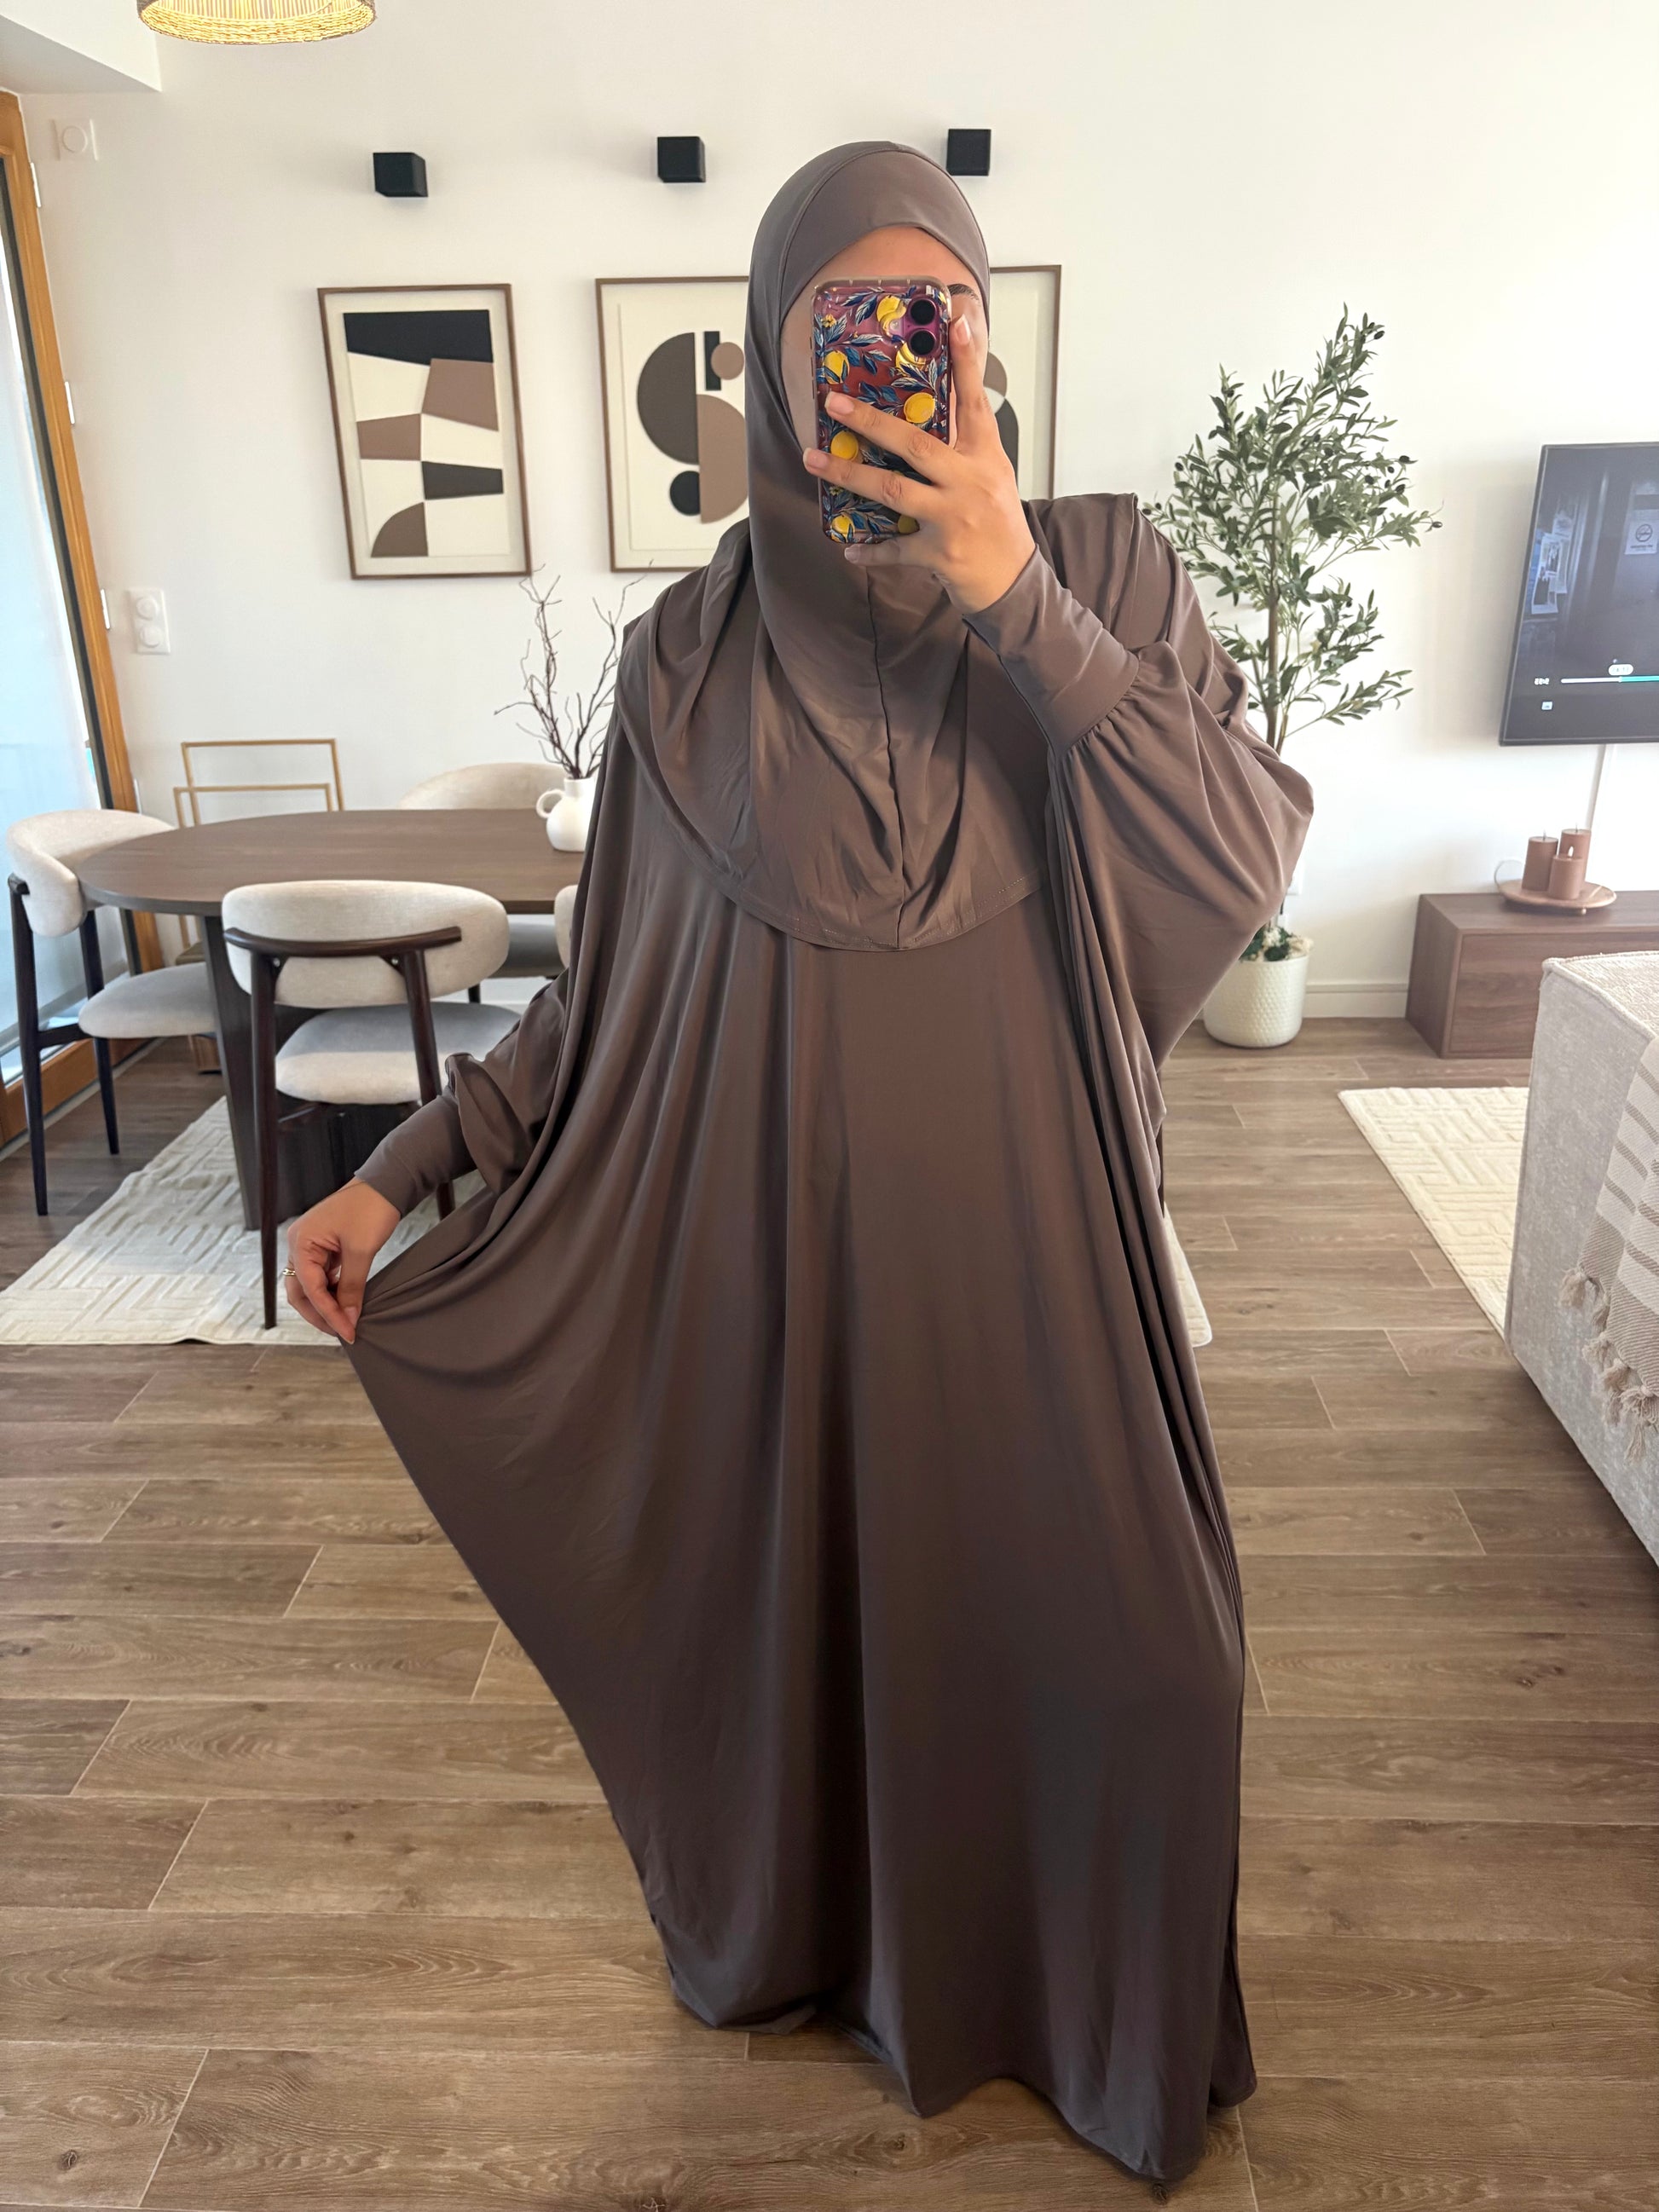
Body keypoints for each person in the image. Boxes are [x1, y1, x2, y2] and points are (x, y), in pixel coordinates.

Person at [286, 141, 1312, 2186]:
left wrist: (1017, 599)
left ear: (986, 352)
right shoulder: (685, 660)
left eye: (942, 318)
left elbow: (1234, 854)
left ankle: (1093, 2020)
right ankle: (862, 1966)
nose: (904, 357)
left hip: (1044, 1257)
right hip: (778, 1264)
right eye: (853, 323)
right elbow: (615, 991)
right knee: (821, 1653)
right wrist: (404, 1160)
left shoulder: (1109, 571)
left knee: (1156, 1673)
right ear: (772, 359)